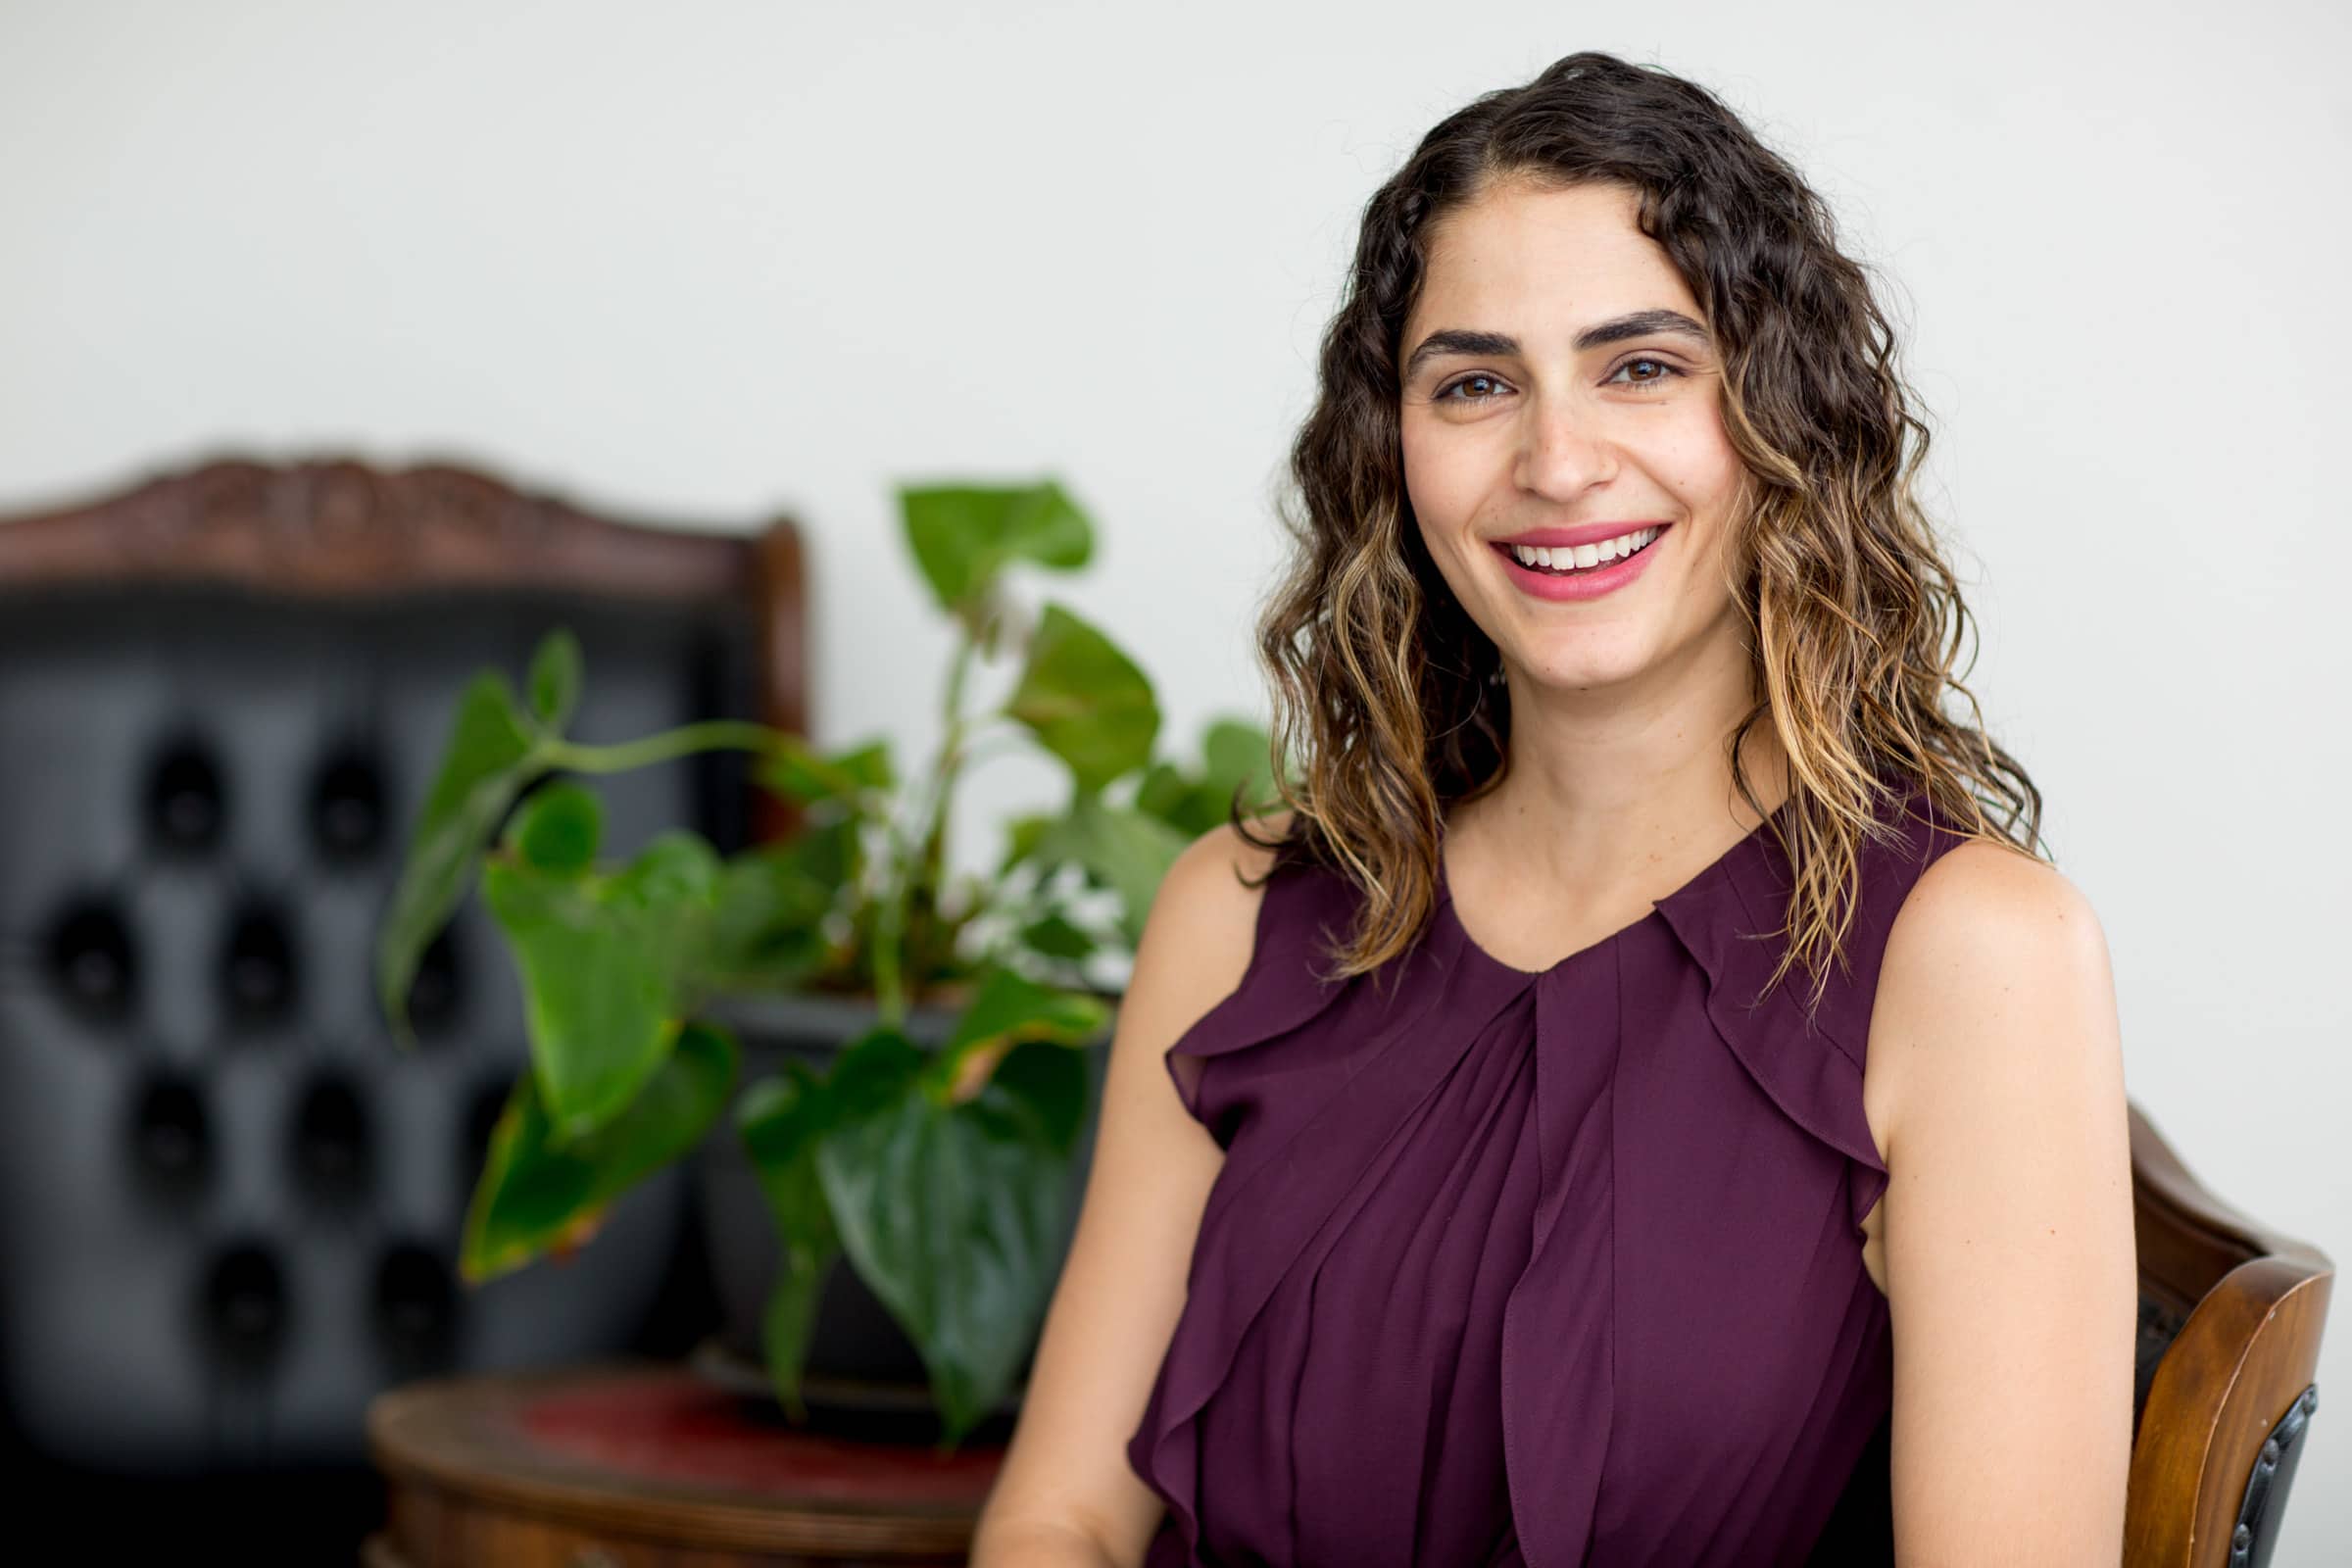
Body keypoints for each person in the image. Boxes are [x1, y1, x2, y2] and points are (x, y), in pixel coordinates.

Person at [970, 49, 2134, 1568]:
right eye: (1475, 383)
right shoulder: (1238, 915)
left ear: (1780, 419)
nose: (1558, 462)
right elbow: (1058, 1520)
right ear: (1392, 455)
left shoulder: (1974, 957)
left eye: (1641, 365)